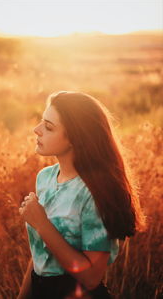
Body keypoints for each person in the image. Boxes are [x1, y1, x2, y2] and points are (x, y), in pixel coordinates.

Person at [17, 91, 147, 299]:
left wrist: (41, 223)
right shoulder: (45, 178)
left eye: (49, 127)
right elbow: (41, 256)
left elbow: (90, 278)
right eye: (42, 122)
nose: (36, 130)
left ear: (75, 138)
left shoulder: (93, 192)